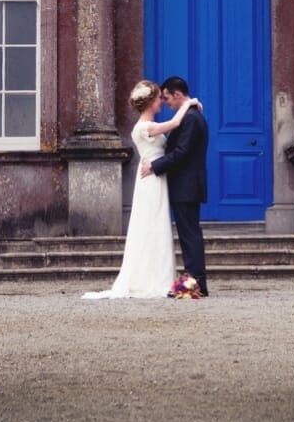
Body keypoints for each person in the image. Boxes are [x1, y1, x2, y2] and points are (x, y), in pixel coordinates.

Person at [83, 80, 201, 299]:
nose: (162, 102)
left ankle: (159, 275)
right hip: (151, 180)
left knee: (157, 226)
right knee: (150, 225)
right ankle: (151, 279)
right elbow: (175, 124)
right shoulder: (143, 127)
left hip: (156, 176)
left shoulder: (149, 125)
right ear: (150, 103)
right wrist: (190, 103)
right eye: (159, 99)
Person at [140, 76, 209, 297]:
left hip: (186, 186)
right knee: (189, 235)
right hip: (185, 185)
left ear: (178, 95)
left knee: (190, 236)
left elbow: (181, 153)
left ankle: (196, 284)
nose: (166, 102)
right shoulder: (190, 115)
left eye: (167, 98)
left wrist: (154, 166)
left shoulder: (191, 119)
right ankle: (195, 282)